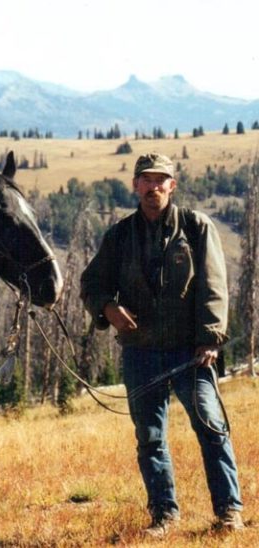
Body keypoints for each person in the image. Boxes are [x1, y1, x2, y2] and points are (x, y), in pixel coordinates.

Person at [80, 153, 243, 537]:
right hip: (141, 352)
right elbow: (91, 283)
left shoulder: (196, 227)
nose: (153, 187)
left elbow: (214, 288)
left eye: (161, 180)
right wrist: (108, 308)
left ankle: (229, 512)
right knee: (150, 437)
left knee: (212, 427)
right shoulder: (120, 235)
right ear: (135, 186)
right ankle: (165, 516)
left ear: (173, 185)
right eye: (146, 180)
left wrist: (210, 340)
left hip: (192, 353)